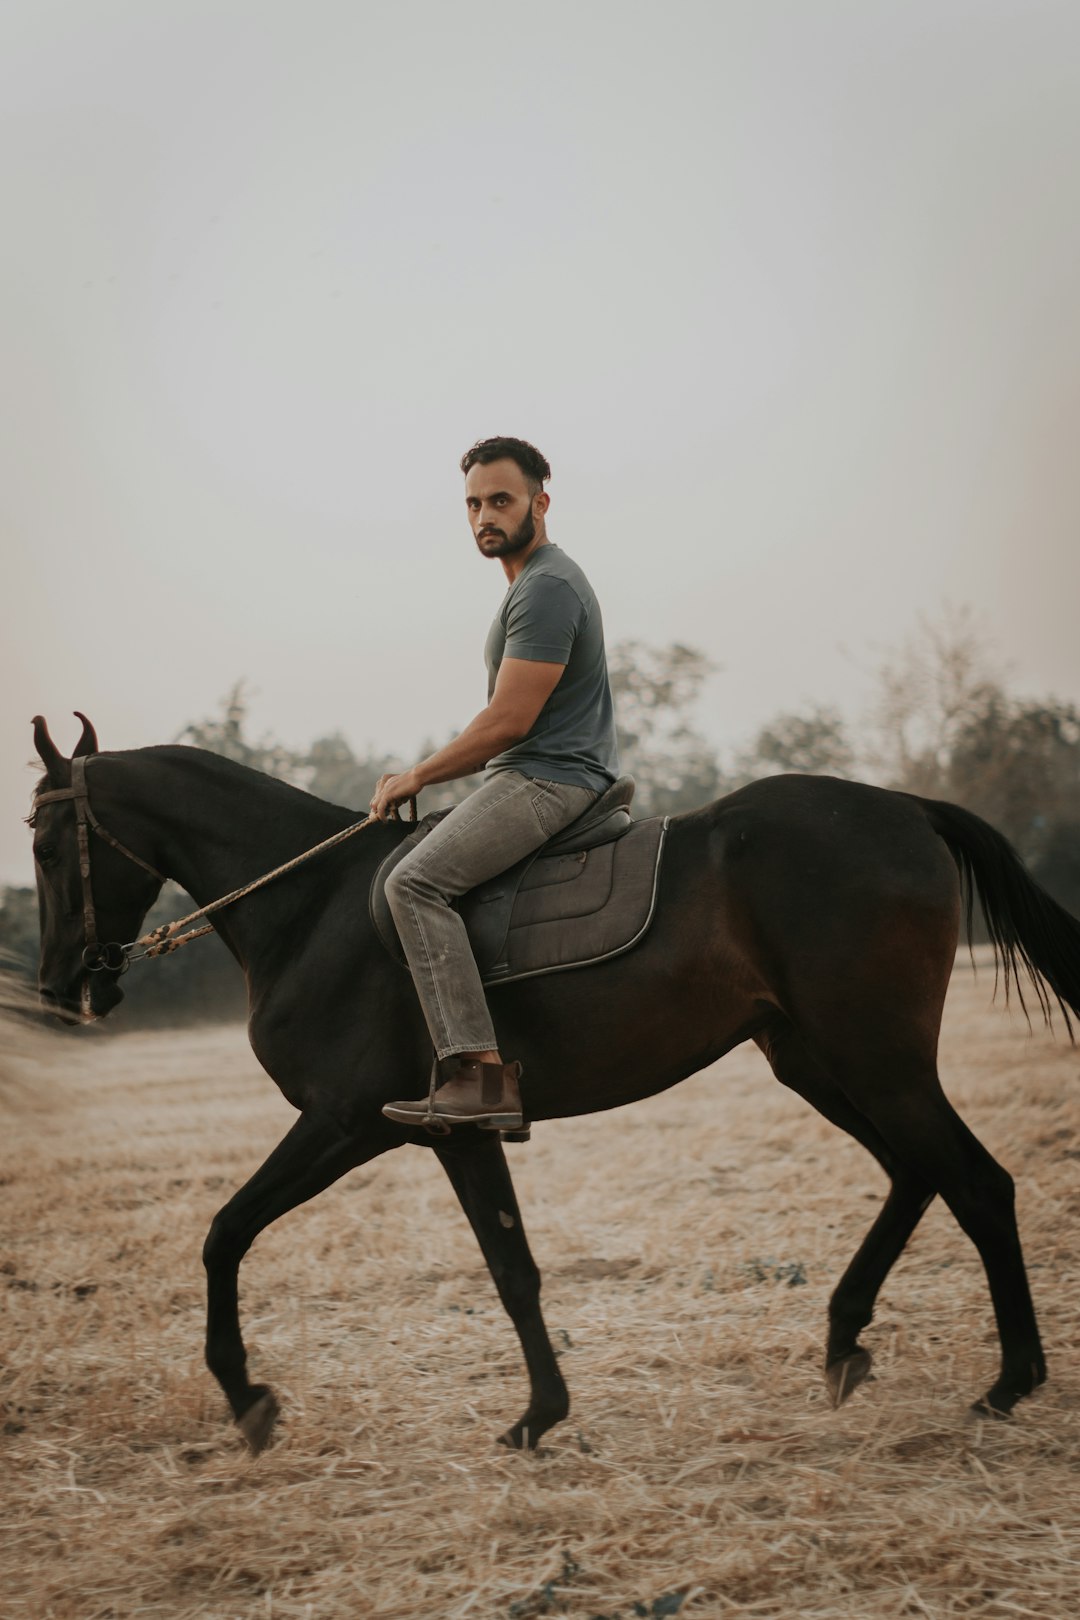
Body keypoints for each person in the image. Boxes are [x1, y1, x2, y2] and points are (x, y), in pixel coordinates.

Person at [374, 436, 619, 1131]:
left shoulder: (545, 588)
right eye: (475, 504)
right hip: (533, 773)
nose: (486, 514)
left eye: (501, 500)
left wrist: (417, 774)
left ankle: (482, 1083)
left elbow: (509, 721)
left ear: (540, 502)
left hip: (548, 779)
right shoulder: (529, 584)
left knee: (412, 884)